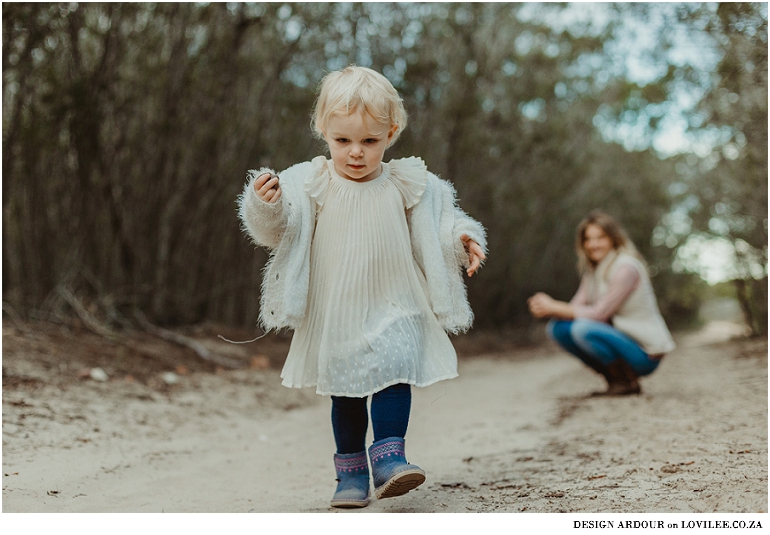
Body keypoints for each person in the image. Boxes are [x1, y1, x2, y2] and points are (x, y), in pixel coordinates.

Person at [237, 66, 486, 508]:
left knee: (396, 367)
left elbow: (441, 223)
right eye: (343, 141)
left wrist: (463, 240)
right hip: (337, 306)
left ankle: (390, 460)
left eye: (370, 141)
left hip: (397, 299)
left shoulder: (408, 183)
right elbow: (277, 229)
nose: (356, 153)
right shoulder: (310, 181)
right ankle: (350, 475)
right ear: (323, 131)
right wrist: (265, 204)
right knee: (346, 389)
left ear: (391, 133)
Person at [527, 211, 674, 396]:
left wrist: (554, 306)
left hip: (644, 353)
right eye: (588, 239)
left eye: (600, 238)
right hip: (619, 339)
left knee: (582, 329)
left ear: (613, 239)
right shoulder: (593, 271)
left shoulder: (626, 267)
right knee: (558, 328)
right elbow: (575, 307)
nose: (593, 244)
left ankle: (628, 380)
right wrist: (545, 306)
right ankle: (617, 381)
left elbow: (599, 314)